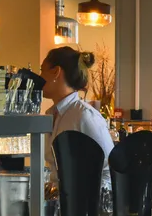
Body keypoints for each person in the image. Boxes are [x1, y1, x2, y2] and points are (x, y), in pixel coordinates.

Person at [41, 47, 114, 187]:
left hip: (83, 200)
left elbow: (109, 169)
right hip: (57, 198)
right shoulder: (51, 114)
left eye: (42, 70)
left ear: (56, 72)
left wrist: (89, 198)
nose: (40, 77)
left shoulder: (85, 116)